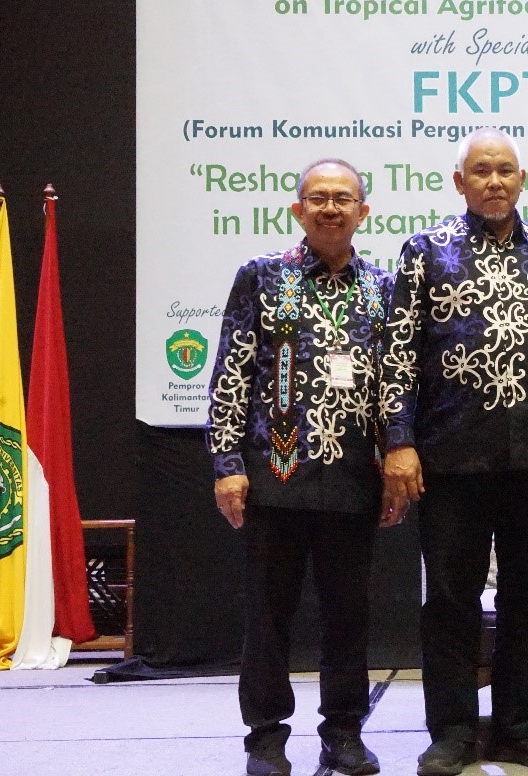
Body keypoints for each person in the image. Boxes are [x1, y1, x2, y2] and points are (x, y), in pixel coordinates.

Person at [380, 127, 528, 776]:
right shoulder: (425, 250)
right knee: (451, 598)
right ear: (459, 182)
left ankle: (523, 728)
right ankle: (452, 734)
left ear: (521, 179)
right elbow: (397, 354)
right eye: (481, 170)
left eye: (505, 170)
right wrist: (399, 441)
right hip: (451, 457)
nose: (494, 180)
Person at [206, 158, 402, 776]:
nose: (331, 208)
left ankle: (343, 733)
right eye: (318, 198)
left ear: (363, 212)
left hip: (353, 478)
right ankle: (265, 738)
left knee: (348, 615)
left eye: (343, 199)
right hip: (275, 475)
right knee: (268, 615)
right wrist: (227, 462)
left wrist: (394, 459)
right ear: (298, 210)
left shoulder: (385, 288)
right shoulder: (262, 277)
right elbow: (232, 371)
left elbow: (396, 385)